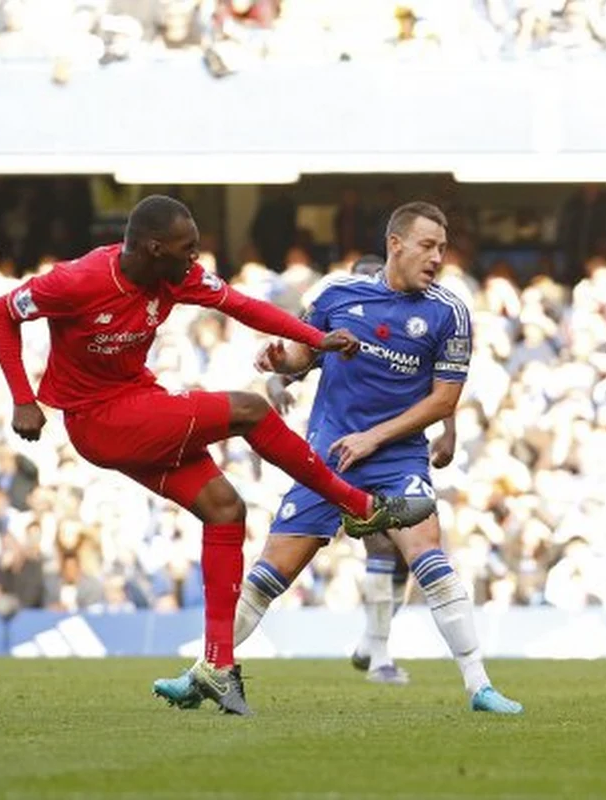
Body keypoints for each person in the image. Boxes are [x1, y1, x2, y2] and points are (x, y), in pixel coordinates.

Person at [0, 195, 436, 716]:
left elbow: (244, 306)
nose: (196, 259)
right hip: (99, 420)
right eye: (188, 249)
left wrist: (316, 339)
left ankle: (219, 667)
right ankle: (360, 507)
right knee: (249, 409)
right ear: (155, 249)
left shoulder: (175, 276)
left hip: (137, 400)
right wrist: (23, 397)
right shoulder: (77, 280)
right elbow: (2, 313)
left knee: (225, 509)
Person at [155, 202, 521, 714]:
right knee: (268, 574)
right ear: (395, 244)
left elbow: (443, 399)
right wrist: (285, 359)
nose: (437, 257)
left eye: (441, 247)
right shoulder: (336, 295)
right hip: (325, 459)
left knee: (429, 554)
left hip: (396, 460)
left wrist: (375, 438)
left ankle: (479, 685)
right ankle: (204, 672)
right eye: (427, 245)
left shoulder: (449, 311)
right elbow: (306, 354)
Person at [263, 253, 457, 684]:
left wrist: (449, 428)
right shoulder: (338, 318)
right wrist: (276, 383)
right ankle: (381, 653)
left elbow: (438, 385)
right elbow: (292, 364)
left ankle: (374, 642)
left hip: (395, 450)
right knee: (380, 547)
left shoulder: (415, 322)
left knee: (402, 556)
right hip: (340, 453)